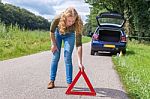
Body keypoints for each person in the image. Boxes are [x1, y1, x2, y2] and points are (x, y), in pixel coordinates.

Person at [47, 7, 84, 89]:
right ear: (65, 18)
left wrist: (80, 62)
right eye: (69, 20)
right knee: (55, 56)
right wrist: (53, 44)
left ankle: (69, 83)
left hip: (70, 35)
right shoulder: (58, 18)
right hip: (58, 34)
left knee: (67, 57)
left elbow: (79, 44)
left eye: (73, 21)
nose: (71, 23)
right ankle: (51, 81)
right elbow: (51, 31)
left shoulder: (78, 23)